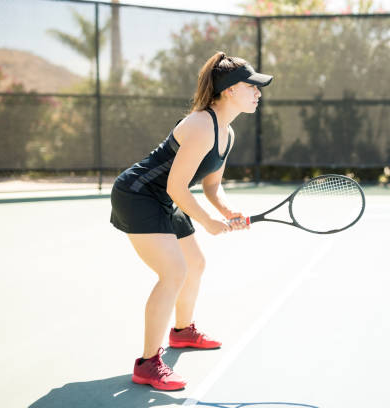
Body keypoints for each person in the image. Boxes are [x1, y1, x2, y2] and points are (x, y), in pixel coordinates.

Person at [109, 51, 273, 391]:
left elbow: (213, 185)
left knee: (195, 264)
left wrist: (227, 212)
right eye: (251, 86)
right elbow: (176, 186)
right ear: (229, 90)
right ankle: (147, 364)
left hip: (165, 197)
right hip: (138, 194)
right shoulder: (201, 124)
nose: (258, 92)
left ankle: (182, 332)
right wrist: (210, 223)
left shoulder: (227, 133)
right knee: (174, 272)